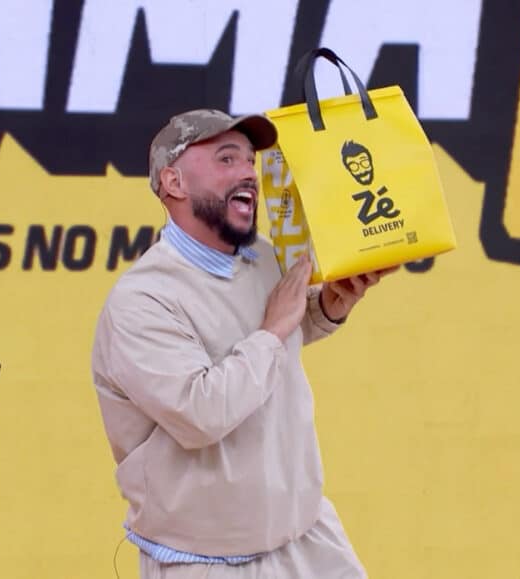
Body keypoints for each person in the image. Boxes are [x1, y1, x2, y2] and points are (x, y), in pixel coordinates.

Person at [91, 109, 395, 578]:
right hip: (205, 563)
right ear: (173, 182)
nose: (249, 174)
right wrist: (275, 327)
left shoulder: (261, 257)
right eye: (226, 159)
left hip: (306, 538)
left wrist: (328, 305)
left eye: (250, 161)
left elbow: (270, 344)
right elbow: (202, 414)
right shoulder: (142, 301)